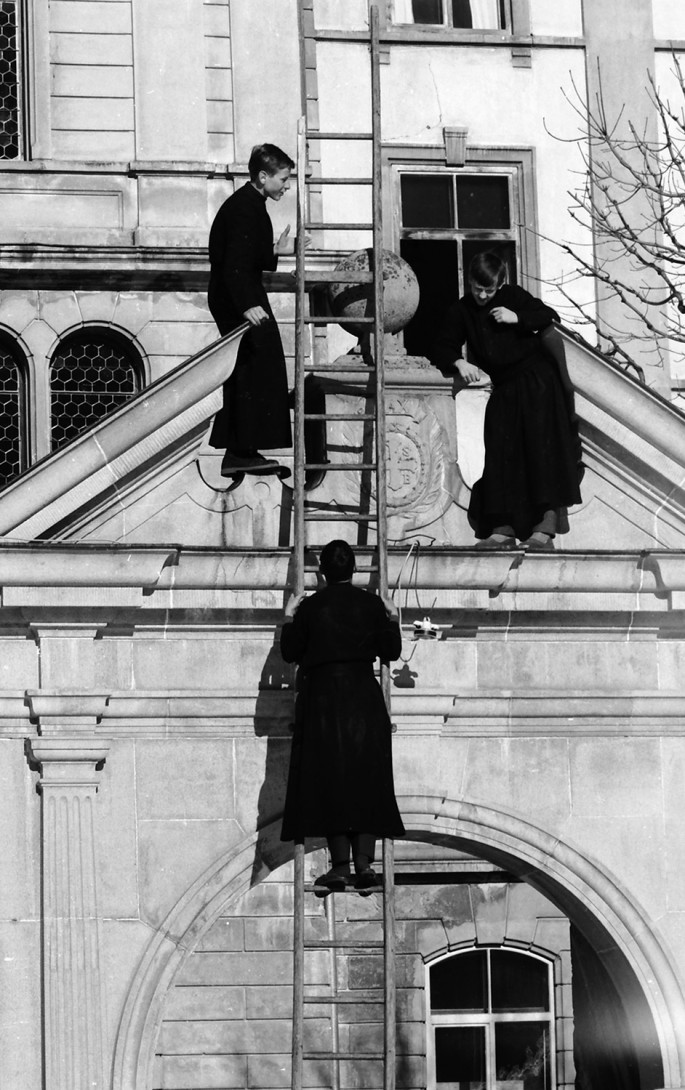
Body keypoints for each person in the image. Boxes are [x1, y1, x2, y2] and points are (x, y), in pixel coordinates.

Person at [433, 251, 583, 550]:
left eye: (489, 290)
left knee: (540, 455)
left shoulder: (512, 296)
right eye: (478, 288)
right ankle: (502, 528)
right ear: (470, 282)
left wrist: (518, 318)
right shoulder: (463, 310)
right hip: (504, 390)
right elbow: (440, 344)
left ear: (500, 284)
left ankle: (544, 529)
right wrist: (458, 363)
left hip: (538, 385)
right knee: (501, 455)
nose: (483, 295)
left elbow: (549, 315)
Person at [280, 540, 405, 894]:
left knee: (331, 778)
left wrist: (289, 615)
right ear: (353, 571)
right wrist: (392, 615)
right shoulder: (370, 604)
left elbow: (290, 652)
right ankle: (365, 863)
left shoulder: (311, 607)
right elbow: (391, 651)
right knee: (366, 776)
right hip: (363, 698)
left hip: (323, 700)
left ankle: (339, 865)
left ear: (322, 572)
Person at [207, 143, 295, 477]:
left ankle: (243, 450)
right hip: (237, 297)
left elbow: (247, 255)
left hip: (240, 293)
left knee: (253, 367)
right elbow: (233, 264)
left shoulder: (251, 204)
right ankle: (240, 452)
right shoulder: (245, 207)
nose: (287, 185)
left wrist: (277, 251)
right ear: (263, 176)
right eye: (283, 178)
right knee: (255, 365)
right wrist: (247, 305)